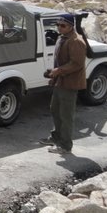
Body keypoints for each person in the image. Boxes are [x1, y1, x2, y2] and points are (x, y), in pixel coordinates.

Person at [39, 13, 87, 154]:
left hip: (70, 83)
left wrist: (58, 71)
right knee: (55, 110)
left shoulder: (76, 41)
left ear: (71, 26)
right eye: (58, 25)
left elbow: (77, 64)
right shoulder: (63, 38)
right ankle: (56, 137)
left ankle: (65, 146)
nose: (59, 28)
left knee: (66, 115)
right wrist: (54, 75)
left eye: (63, 25)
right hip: (60, 81)